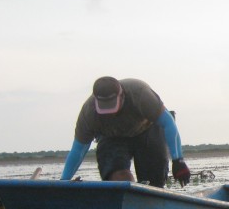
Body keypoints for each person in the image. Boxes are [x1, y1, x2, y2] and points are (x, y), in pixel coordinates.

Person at [60, 76, 190, 187]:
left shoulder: (140, 94)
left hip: (147, 130)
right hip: (112, 137)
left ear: (122, 97)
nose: (110, 114)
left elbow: (168, 124)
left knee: (154, 182)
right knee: (119, 179)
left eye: (112, 106)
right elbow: (79, 149)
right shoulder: (88, 113)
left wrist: (178, 160)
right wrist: (63, 182)